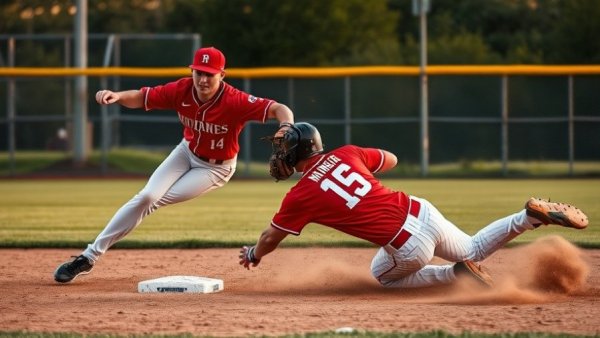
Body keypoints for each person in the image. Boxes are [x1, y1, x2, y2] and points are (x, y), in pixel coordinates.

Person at [238, 122, 589, 288]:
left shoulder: (301, 195)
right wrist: (359, 164)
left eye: (283, 147)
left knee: (382, 278)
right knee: (474, 247)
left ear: (298, 152)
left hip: (409, 245)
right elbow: (390, 159)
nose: (278, 153)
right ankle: (527, 217)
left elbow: (271, 237)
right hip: (420, 209)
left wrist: (254, 254)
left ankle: (454, 274)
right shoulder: (347, 152)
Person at [54, 46, 295, 283]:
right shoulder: (182, 89)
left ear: (222, 75)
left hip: (215, 169)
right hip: (185, 151)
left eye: (209, 74)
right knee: (147, 197)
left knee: (151, 201)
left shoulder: (235, 100)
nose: (202, 79)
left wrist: (285, 126)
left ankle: (89, 256)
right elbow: (142, 96)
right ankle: (88, 257)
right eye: (198, 72)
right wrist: (117, 96)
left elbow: (279, 109)